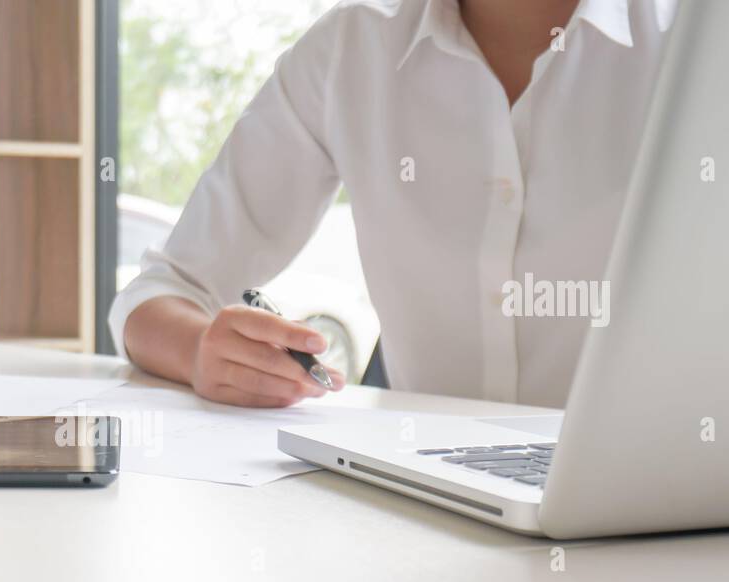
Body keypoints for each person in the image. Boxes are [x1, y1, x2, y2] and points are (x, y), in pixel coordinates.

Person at [110, 0, 676, 409]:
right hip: (426, 512)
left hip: (672, 517)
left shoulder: (706, 42)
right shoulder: (352, 48)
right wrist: (205, 353)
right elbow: (158, 293)